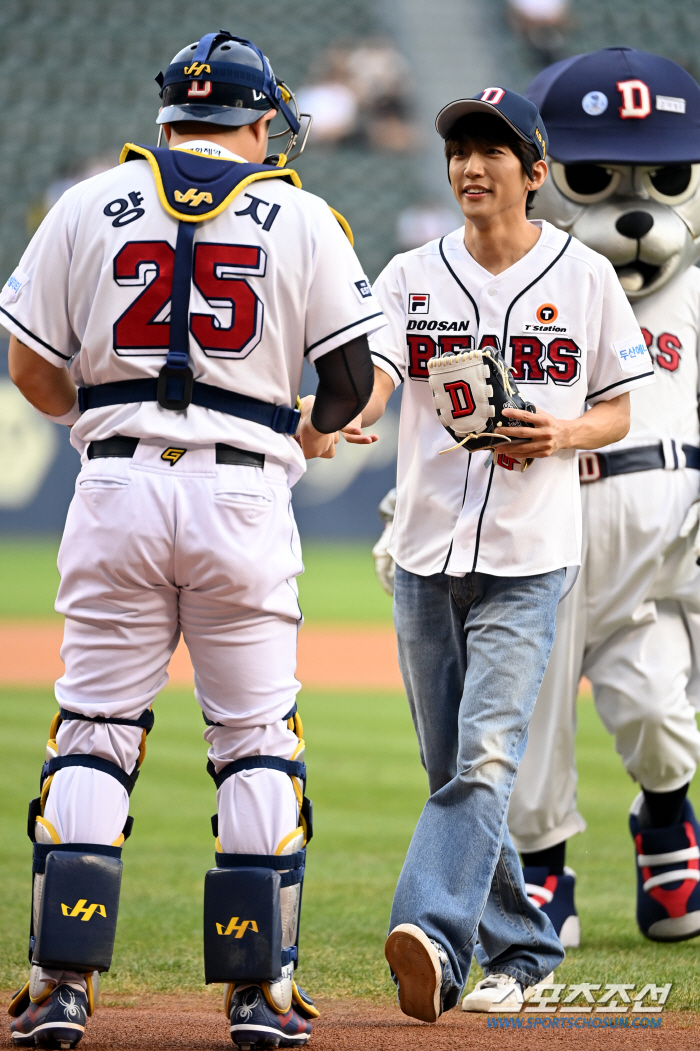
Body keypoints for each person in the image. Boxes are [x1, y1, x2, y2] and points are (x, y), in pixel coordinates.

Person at [4, 30, 384, 1050]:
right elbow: (351, 385)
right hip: (244, 492)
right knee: (255, 741)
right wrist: (300, 432)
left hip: (116, 482)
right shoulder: (299, 213)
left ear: (167, 117)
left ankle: (61, 984)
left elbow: (31, 368)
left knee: (93, 727)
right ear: (259, 125)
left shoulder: (87, 200)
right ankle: (257, 996)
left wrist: (121, 424)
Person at [348, 86, 654, 1020]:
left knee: (483, 758)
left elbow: (619, 404)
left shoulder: (586, 276)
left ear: (535, 170)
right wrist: (351, 417)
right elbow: (379, 374)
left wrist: (562, 434)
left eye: (492, 149)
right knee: (453, 766)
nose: (471, 165)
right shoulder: (409, 272)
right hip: (423, 552)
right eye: (459, 150)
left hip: (532, 554)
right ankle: (523, 947)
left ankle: (434, 938)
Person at [506, 48, 700, 946]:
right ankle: (542, 872)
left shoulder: (695, 291)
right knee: (531, 713)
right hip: (544, 527)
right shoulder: (524, 282)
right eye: (594, 177)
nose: (635, 209)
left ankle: (667, 817)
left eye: (666, 176)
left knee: (663, 707)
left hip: (662, 541)